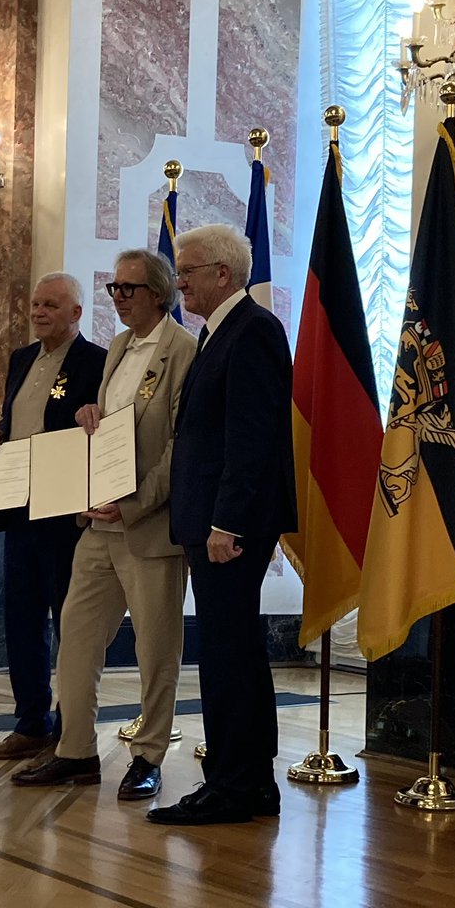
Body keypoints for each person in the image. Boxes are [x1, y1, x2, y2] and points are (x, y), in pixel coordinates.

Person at [12, 249, 196, 800]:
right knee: (76, 637)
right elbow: (111, 422)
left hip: (148, 527)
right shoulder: (117, 347)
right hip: (97, 523)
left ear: (158, 293)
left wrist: (134, 504)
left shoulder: (182, 350)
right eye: (114, 288)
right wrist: (89, 414)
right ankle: (75, 751)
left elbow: (179, 448)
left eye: (128, 289)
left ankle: (149, 756)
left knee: (155, 651)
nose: (118, 298)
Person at [149, 224, 297, 825]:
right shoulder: (218, 332)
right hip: (212, 518)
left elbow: (251, 438)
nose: (178, 282)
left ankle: (232, 786)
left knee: (227, 654)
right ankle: (251, 782)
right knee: (233, 650)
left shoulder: (253, 330)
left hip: (228, 525)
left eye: (186, 271)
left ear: (223, 274)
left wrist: (228, 522)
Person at [0, 273, 107, 761]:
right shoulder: (21, 358)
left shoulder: (97, 362)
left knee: (70, 623)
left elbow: (103, 427)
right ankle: (31, 723)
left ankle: (70, 732)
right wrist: (0, 430)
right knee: (21, 619)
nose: (38, 312)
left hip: (64, 510)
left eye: (50, 305)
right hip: (17, 505)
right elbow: (18, 418)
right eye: (35, 304)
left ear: (76, 313)